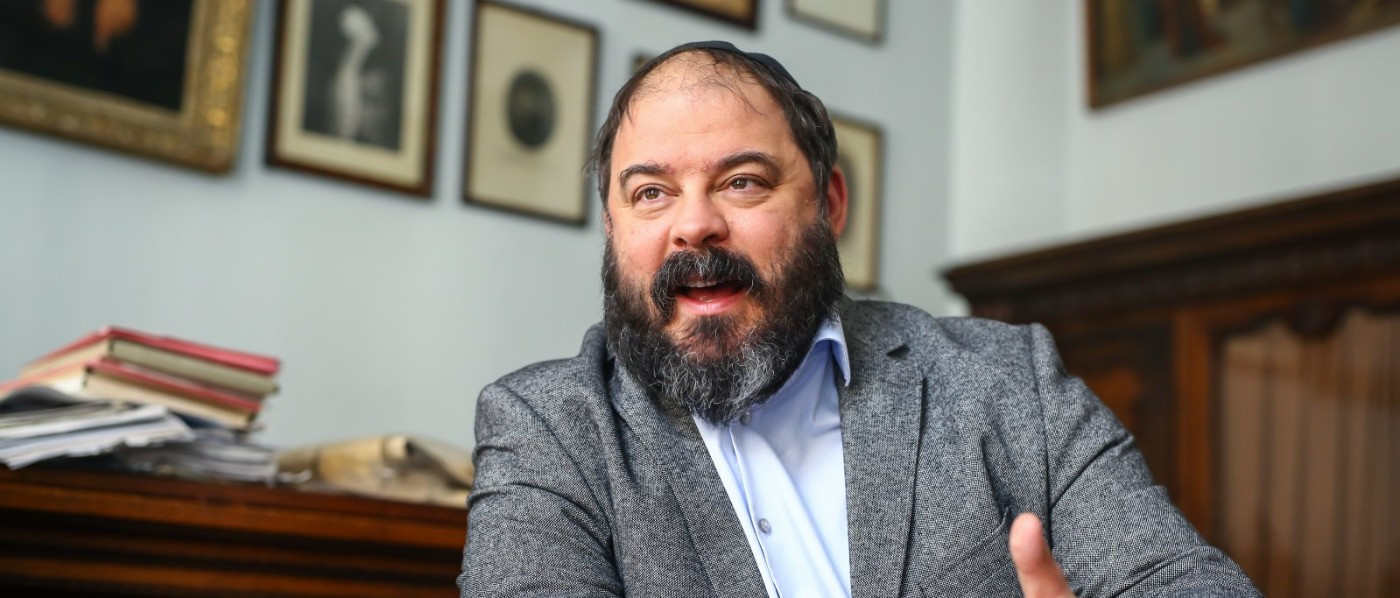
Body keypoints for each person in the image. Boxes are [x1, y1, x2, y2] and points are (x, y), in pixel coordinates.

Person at [458, 41, 1259, 598]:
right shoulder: (548, 430)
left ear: (830, 204)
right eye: (650, 193)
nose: (693, 226)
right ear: (612, 228)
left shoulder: (1008, 382)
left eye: (742, 182)